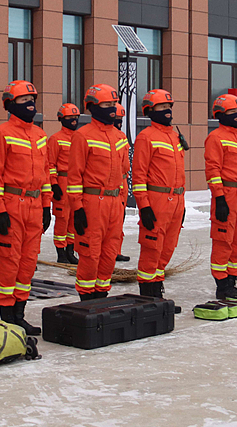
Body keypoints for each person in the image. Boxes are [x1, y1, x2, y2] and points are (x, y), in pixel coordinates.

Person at [0, 80, 52, 334]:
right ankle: (7, 316)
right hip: (13, 204)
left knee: (28, 262)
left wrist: (46, 206)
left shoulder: (40, 135)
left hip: (35, 205)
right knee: (9, 262)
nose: (30, 105)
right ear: (11, 105)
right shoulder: (2, 133)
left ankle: (19, 314)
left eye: (32, 100)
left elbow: (46, 176)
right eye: (24, 101)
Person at [67, 84, 129, 300]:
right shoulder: (82, 136)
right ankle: (86, 298)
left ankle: (101, 294)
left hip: (114, 203)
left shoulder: (120, 138)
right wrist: (77, 208)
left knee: (110, 253)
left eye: (114, 104)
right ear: (93, 107)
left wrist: (122, 202)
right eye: (107, 104)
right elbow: (74, 176)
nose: (112, 108)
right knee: (90, 253)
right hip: (93, 202)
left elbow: (123, 174)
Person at [131, 89, 186, 299]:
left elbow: (179, 172)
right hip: (156, 200)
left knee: (167, 248)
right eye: (162, 107)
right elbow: (139, 175)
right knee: (151, 247)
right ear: (150, 111)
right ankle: (148, 295)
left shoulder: (174, 135)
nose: (167, 111)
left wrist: (183, 202)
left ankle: (157, 291)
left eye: (169, 107)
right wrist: (144, 205)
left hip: (176, 200)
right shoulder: (146, 137)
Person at [204, 93, 237, 300]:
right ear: (220, 114)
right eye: (232, 112)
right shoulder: (215, 137)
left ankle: (232, 281)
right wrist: (219, 198)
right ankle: (222, 285)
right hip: (228, 195)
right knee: (223, 240)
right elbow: (213, 169)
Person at [48, 103, 80, 263]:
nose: (73, 120)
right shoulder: (55, 139)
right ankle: (61, 253)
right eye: (69, 117)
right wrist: (54, 184)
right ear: (62, 119)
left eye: (75, 117)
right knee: (62, 219)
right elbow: (50, 164)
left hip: (77, 184)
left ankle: (70, 250)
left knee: (74, 218)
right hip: (62, 181)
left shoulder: (80, 138)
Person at [112, 104, 131, 263]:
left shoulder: (122, 137)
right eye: (117, 119)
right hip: (111, 183)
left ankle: (116, 250)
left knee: (120, 219)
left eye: (121, 120)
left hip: (122, 181)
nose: (119, 122)